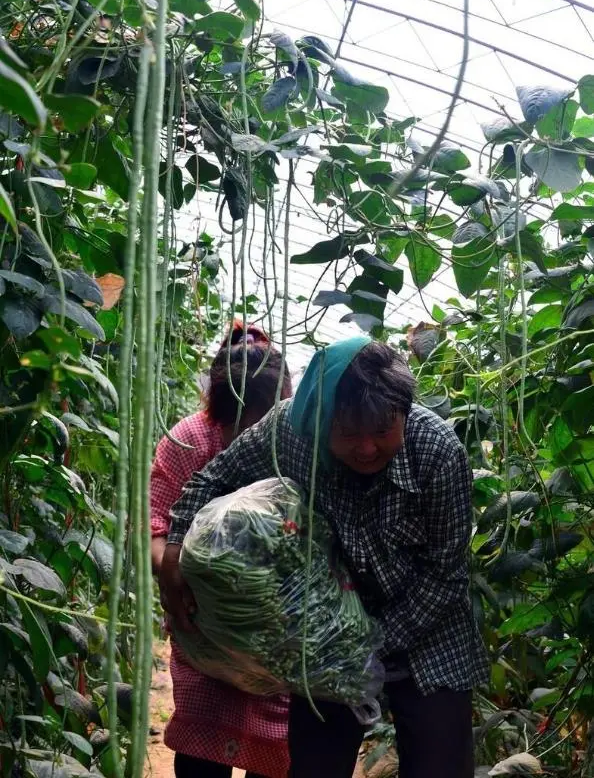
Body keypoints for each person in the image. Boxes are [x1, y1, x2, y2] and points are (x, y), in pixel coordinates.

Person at [160, 336, 490, 778]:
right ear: (321, 420)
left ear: (405, 415)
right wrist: (175, 553)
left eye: (382, 431)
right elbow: (211, 480)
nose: (367, 447)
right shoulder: (292, 433)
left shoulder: (438, 451)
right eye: (349, 432)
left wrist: (370, 643)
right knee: (315, 767)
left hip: (429, 633)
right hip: (329, 636)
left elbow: (445, 578)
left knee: (439, 764)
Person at [150, 322, 292, 778]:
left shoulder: (298, 441)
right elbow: (156, 525)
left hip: (277, 634)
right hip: (202, 629)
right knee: (202, 744)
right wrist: (171, 575)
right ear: (217, 410)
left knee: (276, 746)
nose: (254, 436)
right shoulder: (187, 441)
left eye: (266, 423)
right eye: (241, 425)